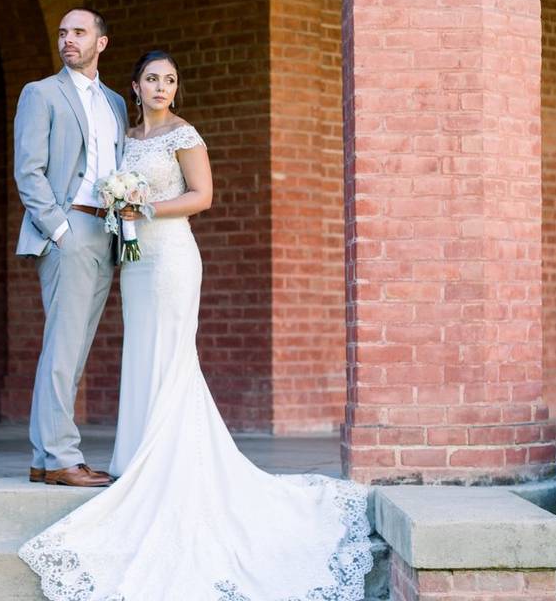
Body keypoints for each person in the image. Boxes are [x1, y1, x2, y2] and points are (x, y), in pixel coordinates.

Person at [19, 50, 373, 600]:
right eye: (152, 79)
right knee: (142, 351)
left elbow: (202, 197)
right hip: (135, 263)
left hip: (172, 258)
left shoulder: (184, 134)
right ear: (133, 88)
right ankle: (137, 458)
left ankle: (169, 462)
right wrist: (121, 210)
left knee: (171, 353)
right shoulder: (124, 135)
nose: (162, 87)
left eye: (170, 80)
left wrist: (144, 208)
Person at [13, 7, 129, 488]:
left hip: (107, 233)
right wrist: (58, 229)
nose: (68, 40)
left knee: (74, 348)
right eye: (63, 33)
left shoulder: (117, 101)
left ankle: (46, 455)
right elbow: (29, 170)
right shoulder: (41, 94)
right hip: (69, 230)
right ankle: (62, 455)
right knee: (63, 347)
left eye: (79, 33)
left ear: (101, 42)